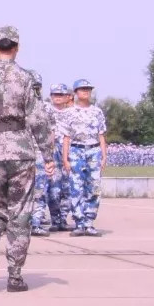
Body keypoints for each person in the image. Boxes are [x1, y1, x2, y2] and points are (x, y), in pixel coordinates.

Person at [0, 27, 53, 292]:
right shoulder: (25, 78)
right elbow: (38, 120)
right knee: (20, 213)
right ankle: (14, 276)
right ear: (16, 47)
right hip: (20, 151)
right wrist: (48, 155)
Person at [63, 78, 107, 236]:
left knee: (94, 188)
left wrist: (103, 156)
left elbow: (101, 135)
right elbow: (66, 137)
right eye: (82, 89)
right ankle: (79, 222)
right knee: (76, 188)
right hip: (76, 150)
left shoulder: (97, 112)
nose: (86, 92)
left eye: (88, 89)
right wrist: (65, 159)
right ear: (75, 93)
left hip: (93, 150)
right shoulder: (69, 113)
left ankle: (89, 222)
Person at [28, 70, 52, 238]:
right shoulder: (17, 107)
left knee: (39, 190)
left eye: (37, 87)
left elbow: (50, 133)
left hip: (40, 153)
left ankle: (35, 223)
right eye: (32, 87)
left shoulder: (47, 108)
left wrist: (49, 156)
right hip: (22, 153)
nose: (35, 90)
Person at [47, 82, 74, 230]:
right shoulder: (45, 111)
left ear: (67, 97)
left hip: (69, 152)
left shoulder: (73, 112)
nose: (58, 97)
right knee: (54, 188)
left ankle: (63, 218)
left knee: (68, 187)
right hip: (52, 151)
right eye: (55, 94)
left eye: (61, 95)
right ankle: (55, 219)